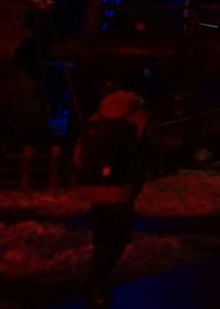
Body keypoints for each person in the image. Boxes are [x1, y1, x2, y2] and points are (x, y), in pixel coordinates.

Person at [76, 89, 148, 306]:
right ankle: (98, 282)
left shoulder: (95, 121)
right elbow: (140, 156)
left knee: (102, 238)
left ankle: (96, 282)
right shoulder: (137, 121)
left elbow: (79, 155)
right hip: (120, 191)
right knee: (118, 238)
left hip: (95, 190)